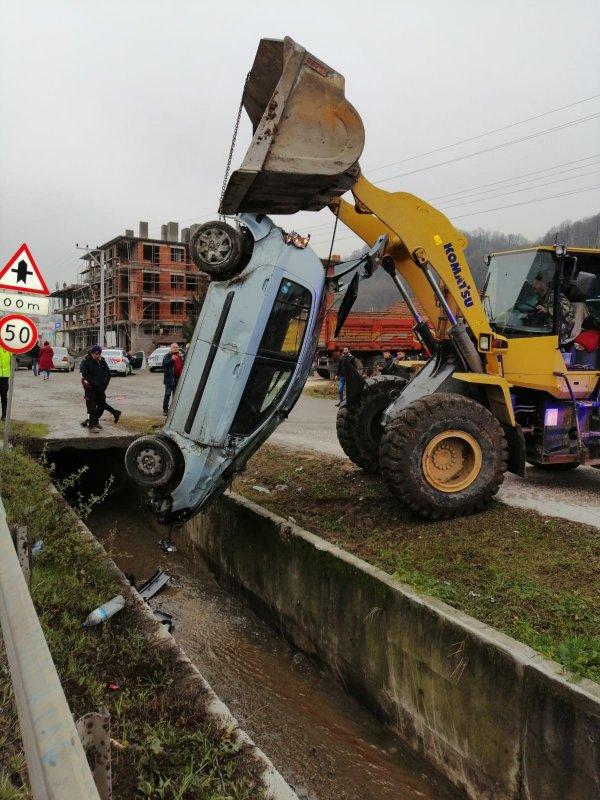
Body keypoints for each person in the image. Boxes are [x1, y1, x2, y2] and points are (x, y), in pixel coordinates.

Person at [80, 345, 121, 432]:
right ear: (92, 353)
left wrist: (104, 384)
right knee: (91, 407)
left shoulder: (102, 361)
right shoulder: (86, 362)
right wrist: (89, 384)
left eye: (99, 354)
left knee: (102, 405)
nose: (98, 356)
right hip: (90, 388)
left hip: (100, 389)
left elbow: (108, 373)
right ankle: (92, 425)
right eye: (96, 354)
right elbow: (84, 375)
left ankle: (95, 421)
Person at [532, 273, 574, 341]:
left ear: (544, 283)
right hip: (546, 329)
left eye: (536, 283)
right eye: (533, 283)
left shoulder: (556, 296)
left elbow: (566, 310)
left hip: (562, 331)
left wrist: (547, 310)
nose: (533, 286)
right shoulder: (539, 299)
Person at [162, 342, 184, 416]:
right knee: (168, 394)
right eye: (174, 347)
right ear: (171, 348)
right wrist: (171, 359)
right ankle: (165, 410)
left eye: (177, 347)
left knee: (176, 395)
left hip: (178, 379)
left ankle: (174, 409)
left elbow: (182, 365)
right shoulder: (167, 356)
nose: (175, 348)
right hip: (169, 379)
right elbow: (164, 364)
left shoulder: (179, 356)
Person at [0, 345, 11, 421]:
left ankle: (4, 415)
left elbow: (15, 353)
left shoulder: (8, 348)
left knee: (4, 397)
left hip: (5, 377)